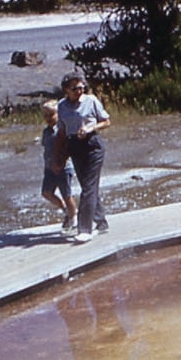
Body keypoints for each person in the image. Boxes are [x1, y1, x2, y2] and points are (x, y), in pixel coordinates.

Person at [56, 72, 112, 243]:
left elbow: (107, 121)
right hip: (74, 146)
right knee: (88, 185)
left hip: (92, 145)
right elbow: (62, 131)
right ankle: (101, 222)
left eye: (81, 87)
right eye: (74, 88)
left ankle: (84, 228)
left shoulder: (91, 100)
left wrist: (90, 128)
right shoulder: (62, 106)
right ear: (66, 90)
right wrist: (59, 155)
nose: (79, 91)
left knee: (88, 187)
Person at [40, 101, 76, 235]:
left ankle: (73, 219)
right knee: (46, 192)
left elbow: (67, 148)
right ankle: (65, 209)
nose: (48, 118)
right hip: (49, 168)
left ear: (58, 114)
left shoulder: (62, 130)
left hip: (63, 167)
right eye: (46, 116)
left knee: (67, 194)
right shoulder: (46, 131)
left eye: (51, 115)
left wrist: (60, 162)